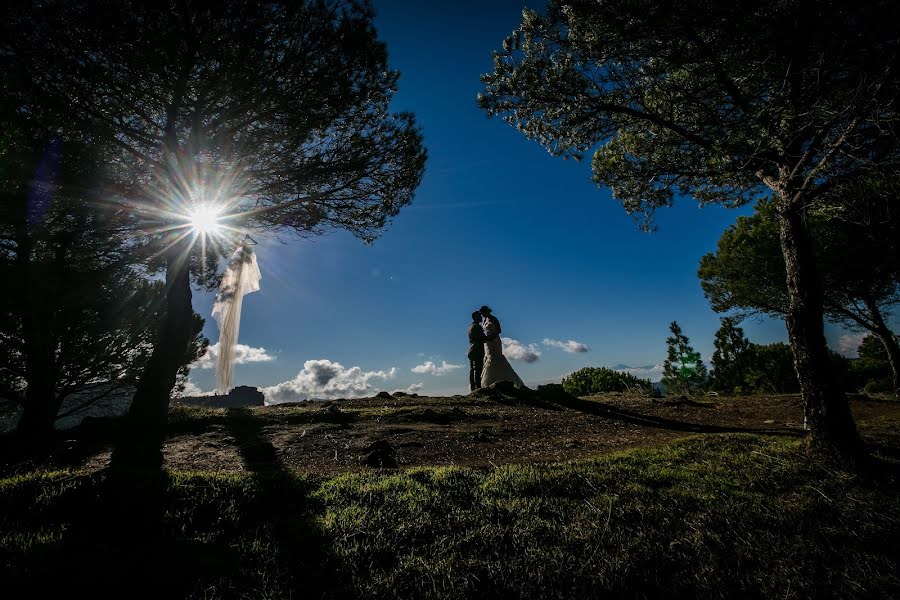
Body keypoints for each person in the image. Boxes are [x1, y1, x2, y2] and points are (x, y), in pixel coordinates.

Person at [479, 306, 525, 388]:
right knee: (489, 358)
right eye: (481, 313)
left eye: (483, 313)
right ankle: (492, 381)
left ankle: (506, 380)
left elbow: (499, 330)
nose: (482, 314)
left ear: (487, 312)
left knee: (496, 358)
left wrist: (491, 337)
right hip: (488, 343)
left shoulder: (494, 319)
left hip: (494, 341)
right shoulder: (484, 320)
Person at [467, 310, 488, 391]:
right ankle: (478, 387)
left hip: (471, 350)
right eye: (480, 316)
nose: (481, 318)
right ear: (476, 317)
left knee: (472, 370)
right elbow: (483, 338)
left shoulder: (470, 326)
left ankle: (473, 387)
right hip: (477, 350)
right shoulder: (477, 327)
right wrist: (492, 336)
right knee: (478, 369)